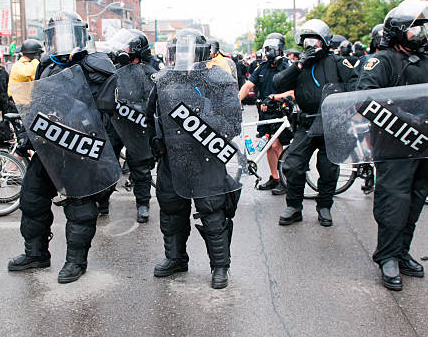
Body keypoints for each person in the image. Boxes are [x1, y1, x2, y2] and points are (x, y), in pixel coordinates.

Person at [355, 0, 428, 291]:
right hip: (394, 147)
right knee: (394, 202)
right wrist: (411, 121)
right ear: (399, 32)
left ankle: (402, 251)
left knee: (416, 198)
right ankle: (387, 256)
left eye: (423, 28)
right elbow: (365, 99)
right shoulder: (382, 61)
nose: (422, 34)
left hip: (426, 146)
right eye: (414, 29)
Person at [8, 11, 118, 284]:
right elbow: (35, 105)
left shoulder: (99, 68)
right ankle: (36, 253)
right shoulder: (46, 66)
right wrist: (26, 134)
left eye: (68, 34)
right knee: (31, 199)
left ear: (82, 36)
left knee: (80, 208)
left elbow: (104, 116)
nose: (62, 41)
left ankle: (75, 262)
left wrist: (73, 114)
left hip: (79, 147)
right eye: (56, 35)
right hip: (48, 149)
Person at [145, 28, 242, 289]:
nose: (183, 57)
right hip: (172, 158)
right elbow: (150, 115)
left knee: (212, 213)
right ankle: (175, 258)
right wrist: (155, 144)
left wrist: (201, 111)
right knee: (171, 211)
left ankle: (220, 266)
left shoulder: (217, 79)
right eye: (178, 52)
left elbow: (232, 125)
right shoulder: (163, 80)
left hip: (206, 159)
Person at [272, 19, 357, 227]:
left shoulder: (337, 62)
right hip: (306, 124)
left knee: (328, 168)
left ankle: (324, 207)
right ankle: (294, 206)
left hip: (332, 123)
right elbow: (279, 82)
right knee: (293, 165)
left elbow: (355, 85)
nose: (310, 45)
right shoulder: (300, 65)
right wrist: (300, 64)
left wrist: (345, 107)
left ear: (324, 41)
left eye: (314, 40)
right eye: (306, 41)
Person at [101, 28, 157, 223]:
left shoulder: (149, 73)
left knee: (140, 166)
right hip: (114, 123)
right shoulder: (113, 71)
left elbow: (152, 103)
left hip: (136, 124)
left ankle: (143, 204)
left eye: (126, 47)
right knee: (107, 163)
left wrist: (133, 109)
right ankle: (102, 202)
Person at [238, 32, 291, 194]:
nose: (270, 53)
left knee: (276, 145)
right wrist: (236, 101)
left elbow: (293, 91)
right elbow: (248, 86)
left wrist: (275, 99)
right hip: (264, 113)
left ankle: (285, 178)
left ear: (280, 50)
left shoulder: (287, 68)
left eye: (274, 49)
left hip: (280, 112)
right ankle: (274, 177)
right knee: (268, 146)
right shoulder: (262, 68)